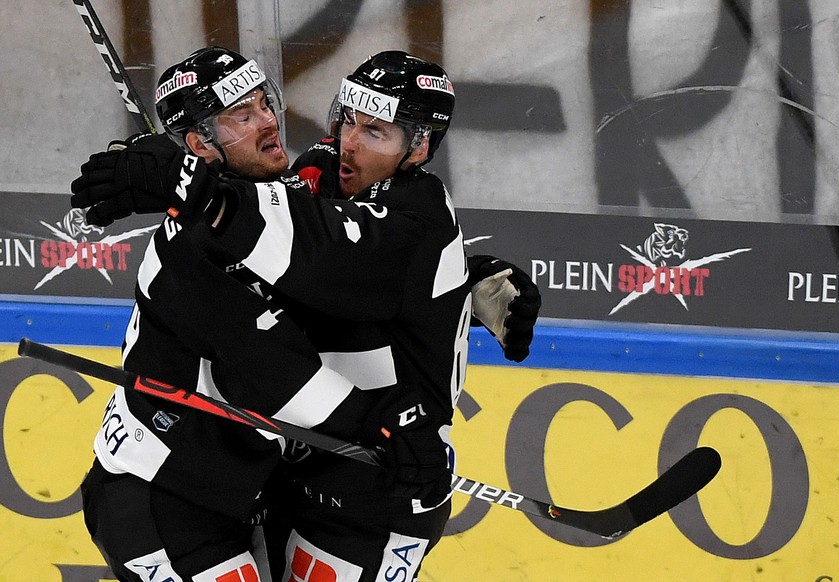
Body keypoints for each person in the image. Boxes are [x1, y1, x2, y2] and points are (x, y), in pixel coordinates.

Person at [71, 47, 540, 582]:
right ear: (200, 144)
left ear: (420, 146)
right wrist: (376, 420)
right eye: (242, 115)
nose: (270, 121)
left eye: (262, 103)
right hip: (165, 494)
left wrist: (456, 277)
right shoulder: (197, 247)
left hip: (296, 486)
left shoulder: (378, 205)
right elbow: (267, 370)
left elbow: (339, 256)